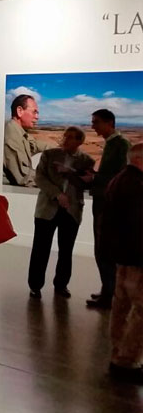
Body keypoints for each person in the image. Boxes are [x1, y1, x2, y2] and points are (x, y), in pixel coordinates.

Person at [27, 126, 95, 299]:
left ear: (80, 141)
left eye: (71, 137)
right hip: (47, 208)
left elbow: (85, 184)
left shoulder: (86, 160)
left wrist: (71, 173)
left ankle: (61, 285)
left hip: (72, 210)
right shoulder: (49, 155)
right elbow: (40, 177)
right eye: (65, 136)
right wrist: (57, 194)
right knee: (40, 249)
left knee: (66, 250)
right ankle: (35, 285)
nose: (66, 139)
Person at [102, 144, 143, 383]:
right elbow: (138, 225)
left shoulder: (120, 180)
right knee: (139, 311)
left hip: (123, 256)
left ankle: (119, 355)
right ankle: (128, 361)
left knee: (122, 307)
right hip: (136, 258)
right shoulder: (136, 186)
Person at [88, 108, 133, 309]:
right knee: (102, 249)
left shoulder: (120, 144)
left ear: (109, 123)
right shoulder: (113, 143)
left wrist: (94, 178)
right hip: (103, 202)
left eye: (96, 122)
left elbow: (119, 177)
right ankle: (108, 290)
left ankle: (110, 295)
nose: (93, 126)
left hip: (108, 205)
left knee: (105, 250)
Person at [3, 94, 50, 186]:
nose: (37, 117)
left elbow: (34, 145)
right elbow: (23, 176)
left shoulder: (19, 131)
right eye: (34, 112)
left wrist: (61, 149)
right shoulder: (11, 135)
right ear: (20, 111)